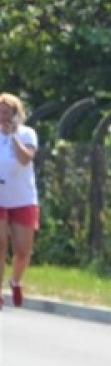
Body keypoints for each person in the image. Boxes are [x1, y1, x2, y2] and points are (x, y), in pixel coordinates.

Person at [0, 93, 41, 308]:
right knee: (0, 244)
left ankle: (15, 281)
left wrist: (13, 135)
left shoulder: (26, 134)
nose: (3, 116)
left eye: (7, 112)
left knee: (22, 250)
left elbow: (26, 159)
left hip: (23, 198)